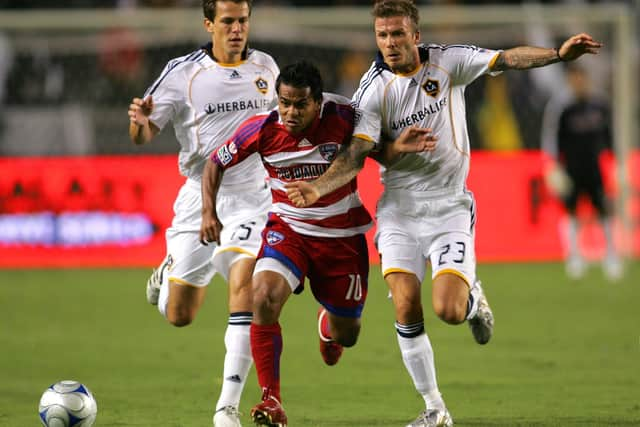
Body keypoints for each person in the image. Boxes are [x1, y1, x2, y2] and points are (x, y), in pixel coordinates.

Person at [285, 1, 603, 426]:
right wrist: (321, 184)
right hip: (399, 209)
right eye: (382, 35)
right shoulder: (373, 89)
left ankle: (473, 302)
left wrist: (558, 57)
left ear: (415, 35)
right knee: (404, 303)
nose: (390, 43)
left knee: (448, 309)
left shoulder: (448, 62)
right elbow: (359, 151)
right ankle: (435, 409)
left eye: (398, 34)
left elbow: (505, 58)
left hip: (449, 207)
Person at [201, 60, 434, 427]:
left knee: (348, 334)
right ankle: (271, 399)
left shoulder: (345, 116)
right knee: (260, 295)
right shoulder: (261, 129)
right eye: (284, 102)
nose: (290, 112)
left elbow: (372, 154)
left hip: (341, 239)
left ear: (319, 101)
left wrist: (396, 148)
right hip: (288, 231)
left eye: (300, 104)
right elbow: (215, 162)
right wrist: (208, 213)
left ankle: (328, 328)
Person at [127, 1, 279, 426]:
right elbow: (143, 134)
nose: (236, 29)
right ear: (209, 24)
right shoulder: (182, 72)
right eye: (227, 21)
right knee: (179, 313)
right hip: (199, 197)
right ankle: (167, 273)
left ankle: (226, 408)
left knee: (244, 286)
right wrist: (139, 122)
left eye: (243, 21)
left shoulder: (267, 68)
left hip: (252, 196)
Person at [541, 63, 622, 281]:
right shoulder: (561, 107)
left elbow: (610, 136)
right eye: (574, 78)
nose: (579, 83)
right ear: (569, 80)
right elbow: (551, 138)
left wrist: (617, 164)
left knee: (604, 210)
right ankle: (574, 257)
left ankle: (611, 256)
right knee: (571, 212)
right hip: (571, 168)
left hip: (594, 167)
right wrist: (553, 166)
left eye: (581, 78)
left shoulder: (599, 104)